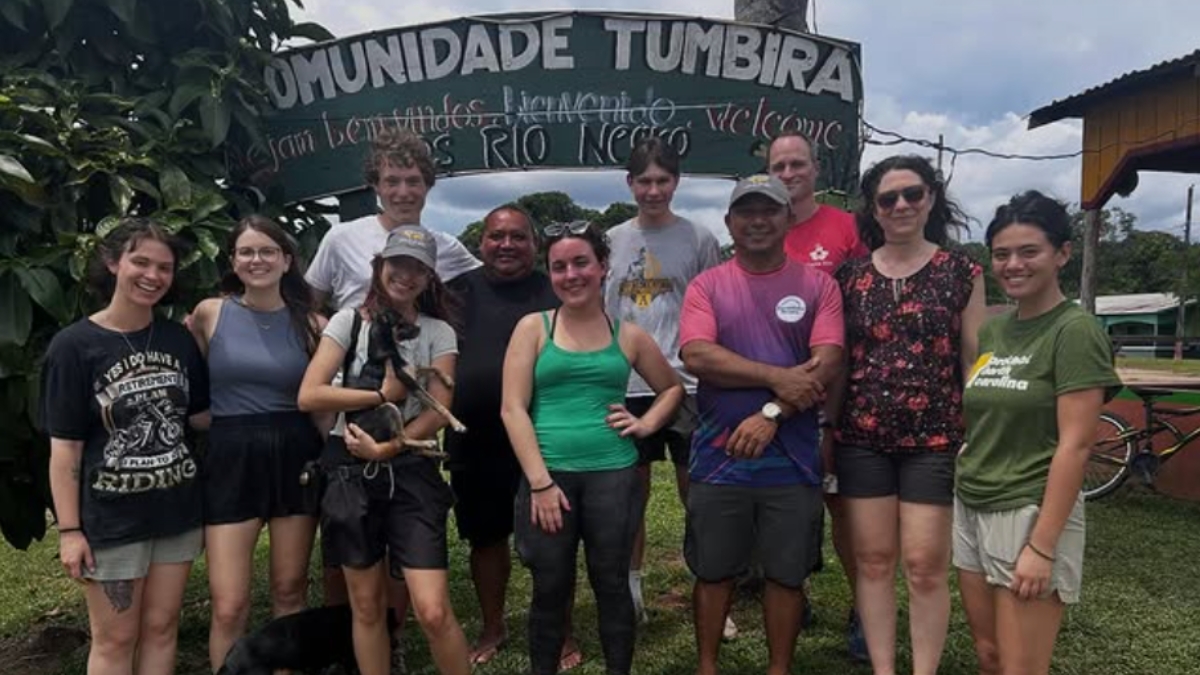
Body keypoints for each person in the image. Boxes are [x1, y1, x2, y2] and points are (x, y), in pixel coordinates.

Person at [501, 221, 684, 675]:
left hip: (613, 476)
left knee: (612, 585)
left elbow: (672, 389)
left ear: (603, 267)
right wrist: (540, 484)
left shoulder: (628, 335)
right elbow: (512, 409)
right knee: (550, 588)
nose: (571, 275)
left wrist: (645, 425)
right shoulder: (533, 328)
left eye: (581, 262)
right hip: (550, 479)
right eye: (559, 267)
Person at [680, 175, 844, 675]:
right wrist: (778, 377)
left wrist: (772, 412)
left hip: (793, 462)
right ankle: (707, 665)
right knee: (712, 572)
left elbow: (828, 361)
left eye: (769, 210)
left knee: (787, 576)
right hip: (718, 457)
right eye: (746, 212)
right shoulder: (707, 285)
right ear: (729, 223)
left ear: (787, 219)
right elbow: (698, 354)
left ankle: (780, 668)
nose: (757, 220)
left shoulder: (819, 285)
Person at [830, 155, 986, 675]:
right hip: (862, 437)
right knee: (872, 563)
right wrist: (827, 429)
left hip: (936, 438)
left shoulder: (962, 271)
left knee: (924, 567)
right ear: (872, 210)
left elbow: (974, 360)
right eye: (888, 198)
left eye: (912, 194)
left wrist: (978, 429)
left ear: (931, 199)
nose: (900, 205)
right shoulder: (849, 276)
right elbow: (840, 360)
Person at [956, 191, 1119, 675]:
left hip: (1027, 508)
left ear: (1062, 254)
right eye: (1002, 254)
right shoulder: (994, 331)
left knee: (1020, 666)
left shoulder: (1075, 331)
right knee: (988, 654)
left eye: (1029, 252)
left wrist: (1042, 546)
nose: (1013, 264)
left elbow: (1077, 443)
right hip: (973, 500)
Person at [297, 226, 470, 675]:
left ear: (430, 277)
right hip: (348, 471)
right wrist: (380, 396)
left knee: (431, 609)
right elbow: (310, 395)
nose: (405, 276)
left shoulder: (438, 332)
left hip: (410, 469)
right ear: (379, 268)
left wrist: (389, 447)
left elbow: (438, 409)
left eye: (417, 268)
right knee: (367, 607)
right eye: (398, 265)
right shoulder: (348, 322)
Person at [44, 218, 209, 675]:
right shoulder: (73, 347)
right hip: (111, 520)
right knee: (116, 638)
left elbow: (199, 416)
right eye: (141, 261)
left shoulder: (178, 339)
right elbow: (65, 450)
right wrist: (70, 531)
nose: (152, 275)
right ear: (113, 262)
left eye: (165, 267)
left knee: (162, 628)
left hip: (176, 512)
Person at [189, 215, 327, 670]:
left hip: (296, 452)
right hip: (232, 455)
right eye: (246, 251)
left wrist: (338, 457)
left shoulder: (313, 323)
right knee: (229, 603)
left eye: (268, 250)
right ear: (233, 260)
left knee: (290, 591)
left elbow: (321, 405)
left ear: (287, 260)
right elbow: (193, 394)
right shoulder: (211, 313)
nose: (257, 259)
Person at [603, 137, 721, 624]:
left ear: (677, 181)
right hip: (626, 384)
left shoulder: (699, 238)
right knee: (631, 497)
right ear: (630, 183)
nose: (654, 190)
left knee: (699, 494)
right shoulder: (610, 240)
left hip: (688, 383)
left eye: (663, 180)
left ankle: (708, 589)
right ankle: (632, 594)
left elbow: (715, 305)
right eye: (644, 181)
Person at [766, 129, 869, 656]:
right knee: (787, 501)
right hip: (773, 395)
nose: (788, 174)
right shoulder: (761, 229)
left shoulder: (846, 228)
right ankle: (795, 593)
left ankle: (862, 610)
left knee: (842, 505)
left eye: (796, 164)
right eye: (778, 166)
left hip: (837, 391)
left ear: (815, 169)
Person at [443, 205, 559, 665]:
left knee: (554, 538)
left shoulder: (556, 289)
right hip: (475, 438)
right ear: (481, 243)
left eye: (518, 237)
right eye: (496, 236)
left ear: (534, 245)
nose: (506, 245)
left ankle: (558, 628)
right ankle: (493, 625)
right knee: (485, 538)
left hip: (546, 433)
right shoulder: (454, 293)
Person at [305, 128, 480, 312]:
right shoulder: (340, 238)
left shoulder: (447, 248)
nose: (403, 193)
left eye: (413, 182)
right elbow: (306, 306)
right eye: (392, 182)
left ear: (427, 186)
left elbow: (494, 280)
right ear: (376, 186)